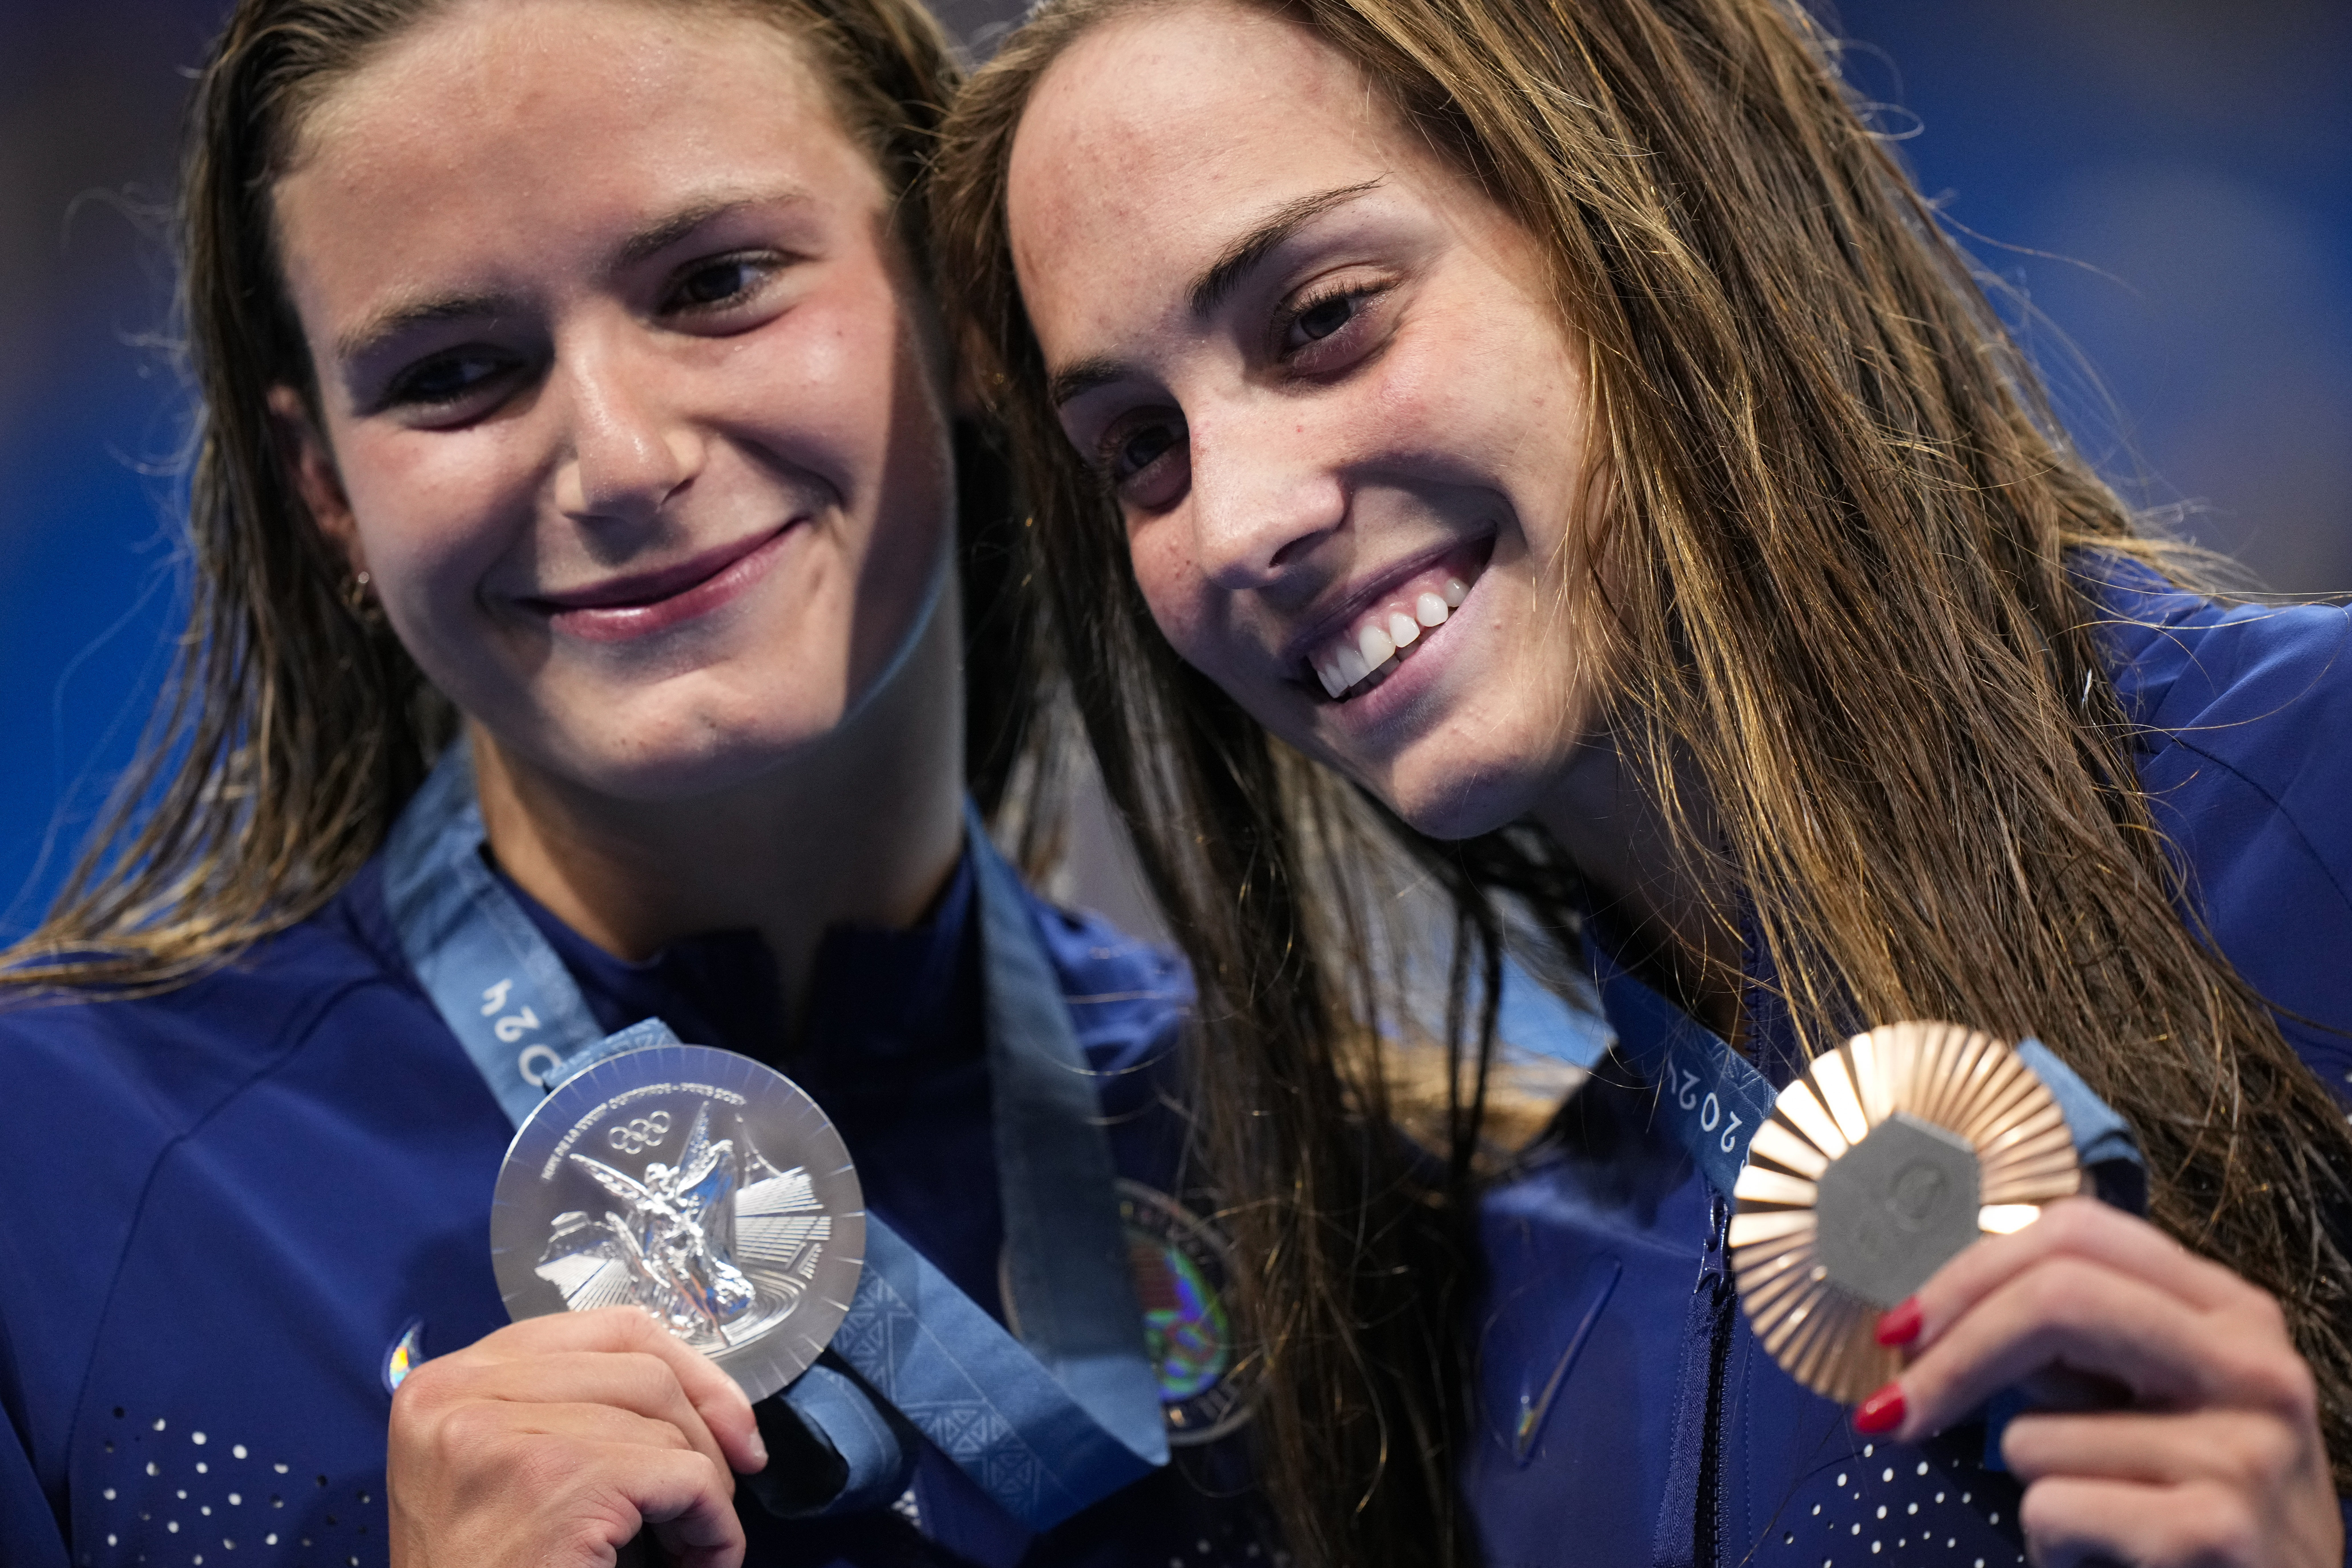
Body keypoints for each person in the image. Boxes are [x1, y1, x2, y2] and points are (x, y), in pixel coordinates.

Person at [931, 0, 2352, 1563]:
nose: (1233, 524)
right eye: (1141, 445)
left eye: (1324, 315)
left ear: (1649, 206)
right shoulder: (1500, 1308)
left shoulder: (2316, 783)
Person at [0, 1, 1277, 1565]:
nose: (617, 459)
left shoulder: (1305, 1152)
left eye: (719, 283)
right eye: (457, 370)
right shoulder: (49, 1185)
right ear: (322, 488)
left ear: (962, 303)